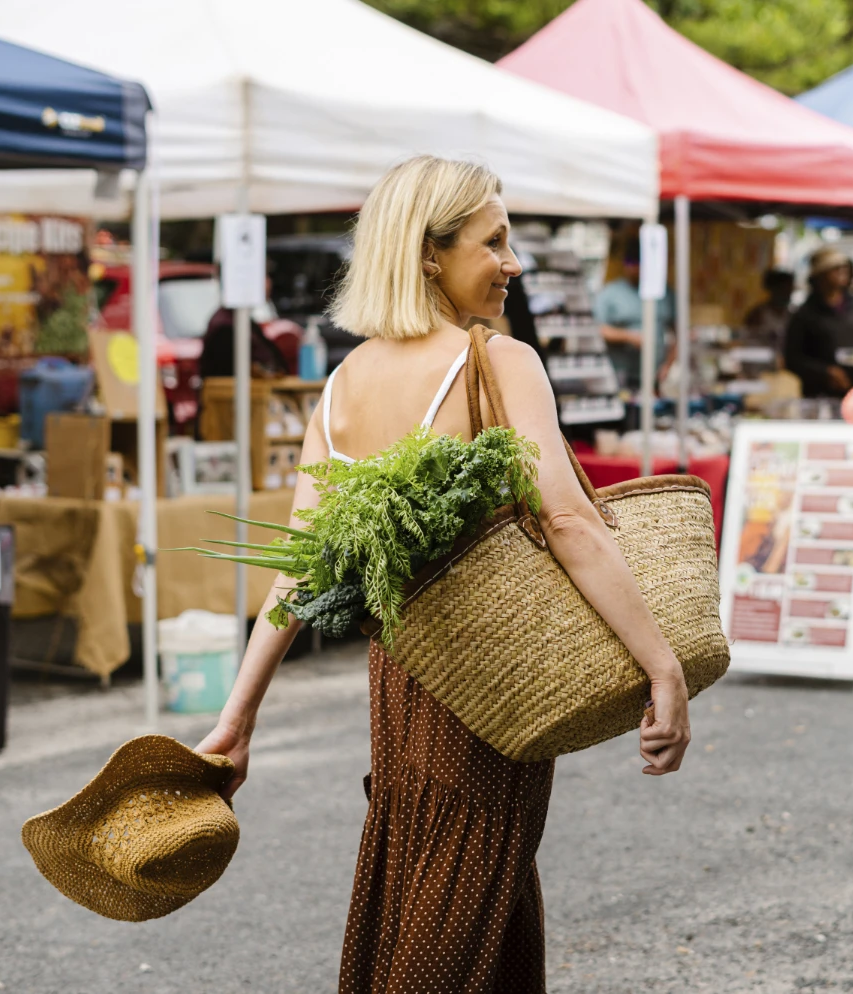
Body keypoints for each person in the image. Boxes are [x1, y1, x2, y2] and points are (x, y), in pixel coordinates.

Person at [195, 155, 691, 993]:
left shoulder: (342, 384)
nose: (514, 263)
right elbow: (570, 522)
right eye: (495, 242)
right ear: (431, 254)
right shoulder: (497, 360)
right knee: (451, 928)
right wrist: (663, 664)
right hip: (491, 690)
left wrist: (238, 719)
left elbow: (298, 569)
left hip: (402, 689)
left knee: (466, 903)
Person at [783, 248, 853, 397]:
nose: (841, 271)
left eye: (844, 267)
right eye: (834, 268)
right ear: (819, 276)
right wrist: (825, 372)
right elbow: (792, 359)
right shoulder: (805, 314)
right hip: (818, 394)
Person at [593, 236, 673, 392]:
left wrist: (668, 365)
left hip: (654, 376)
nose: (635, 269)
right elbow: (598, 329)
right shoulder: (611, 293)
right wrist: (629, 336)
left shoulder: (664, 293)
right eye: (631, 263)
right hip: (621, 375)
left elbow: (679, 332)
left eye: (639, 264)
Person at [198, 276, 291, 380]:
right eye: (263, 276)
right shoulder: (226, 328)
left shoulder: (241, 322)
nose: (268, 282)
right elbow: (225, 383)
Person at [740, 268, 795, 358]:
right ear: (772, 289)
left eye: (790, 289)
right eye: (783, 289)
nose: (788, 293)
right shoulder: (757, 315)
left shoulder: (793, 314)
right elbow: (748, 346)